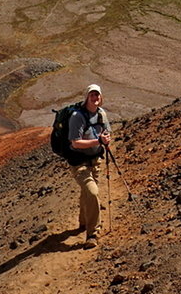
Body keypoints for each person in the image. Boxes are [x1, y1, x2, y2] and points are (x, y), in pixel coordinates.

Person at [68, 83, 111, 248]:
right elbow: (76, 143)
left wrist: (106, 139)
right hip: (79, 163)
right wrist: (98, 141)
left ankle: (83, 222)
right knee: (92, 192)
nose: (95, 98)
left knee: (87, 192)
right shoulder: (77, 117)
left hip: (95, 161)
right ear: (86, 97)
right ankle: (93, 233)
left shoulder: (101, 114)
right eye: (92, 95)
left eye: (97, 95)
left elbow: (107, 133)